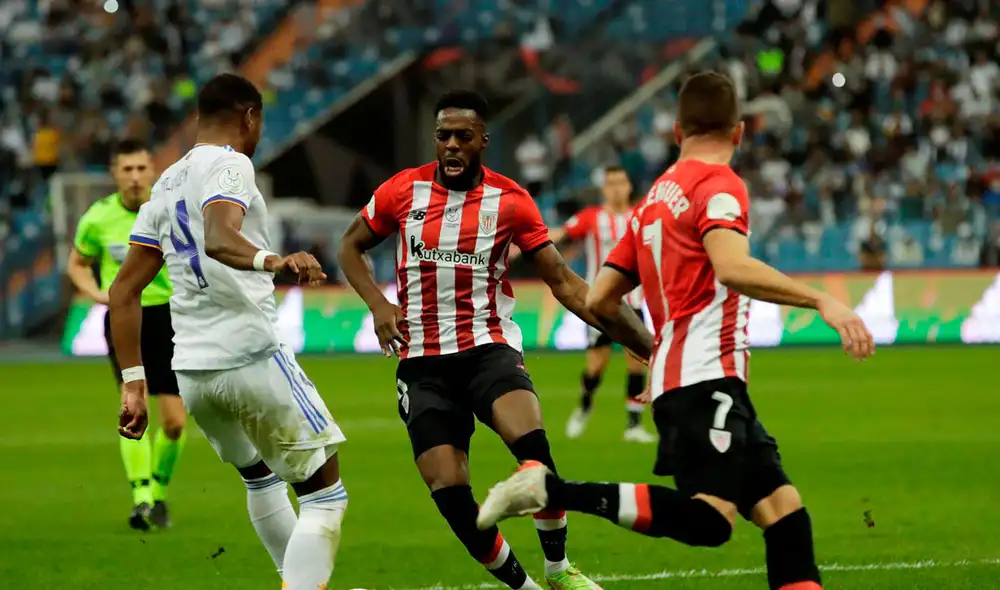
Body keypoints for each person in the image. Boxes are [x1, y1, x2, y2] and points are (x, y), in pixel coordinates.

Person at [476, 72, 876, 590]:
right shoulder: (720, 185)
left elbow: (600, 298)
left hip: (686, 377)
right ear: (739, 132)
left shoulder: (652, 202)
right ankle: (551, 490)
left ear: (675, 130)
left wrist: (660, 358)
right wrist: (822, 299)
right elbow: (731, 267)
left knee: (784, 512)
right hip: (708, 376)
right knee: (710, 521)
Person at [337, 90, 653, 590]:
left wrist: (638, 339)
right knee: (449, 491)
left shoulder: (511, 202)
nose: (453, 146)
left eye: (464, 136)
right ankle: (523, 588)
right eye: (444, 136)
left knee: (533, 450)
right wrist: (379, 305)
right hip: (422, 364)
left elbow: (566, 283)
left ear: (484, 140)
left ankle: (558, 570)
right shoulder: (403, 190)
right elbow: (350, 244)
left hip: (488, 348)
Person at [110, 73, 346, 590]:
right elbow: (220, 237)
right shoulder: (230, 163)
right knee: (325, 493)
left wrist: (133, 382)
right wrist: (275, 260)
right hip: (250, 354)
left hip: (193, 369)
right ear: (249, 116)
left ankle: (295, 580)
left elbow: (123, 291)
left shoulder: (165, 183)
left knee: (260, 477)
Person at [67, 138, 187, 530]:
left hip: (170, 319)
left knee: (174, 422)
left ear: (152, 171)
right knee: (135, 409)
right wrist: (99, 294)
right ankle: (142, 500)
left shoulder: (169, 212)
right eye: (127, 169)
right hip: (124, 320)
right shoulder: (98, 218)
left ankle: (160, 493)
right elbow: (78, 264)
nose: (135, 177)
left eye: (141, 168)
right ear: (115, 174)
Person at [553, 165, 654, 443]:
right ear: (604, 189)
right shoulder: (591, 218)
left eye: (621, 182)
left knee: (637, 363)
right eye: (611, 183)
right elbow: (562, 234)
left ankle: (633, 426)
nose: (617, 188)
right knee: (597, 365)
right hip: (598, 302)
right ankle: (585, 404)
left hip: (632, 301)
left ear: (629, 186)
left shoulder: (640, 217)